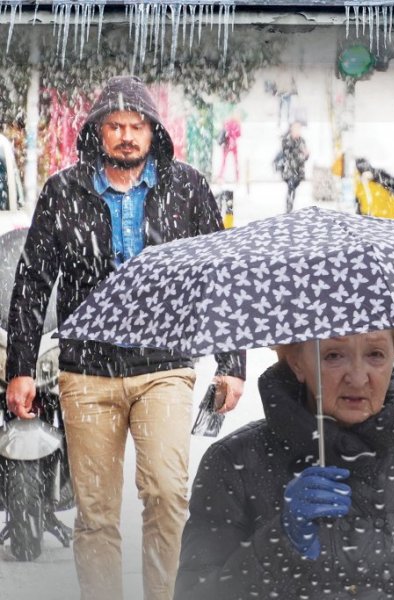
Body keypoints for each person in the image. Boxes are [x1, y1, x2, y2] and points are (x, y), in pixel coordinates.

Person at [4, 75, 246, 600]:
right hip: (86, 373)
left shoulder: (186, 188)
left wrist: (232, 363)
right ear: (98, 131)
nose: (127, 136)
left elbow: (220, 273)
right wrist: (20, 367)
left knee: (167, 495)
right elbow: (33, 282)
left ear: (153, 131)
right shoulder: (63, 192)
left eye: (137, 125)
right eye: (115, 126)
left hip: (165, 367)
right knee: (96, 514)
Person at [174, 329, 394, 599]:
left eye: (376, 354)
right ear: (297, 362)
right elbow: (196, 592)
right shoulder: (234, 462)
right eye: (334, 355)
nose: (358, 377)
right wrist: (281, 541)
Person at [275, 119, 310, 213]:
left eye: (299, 128)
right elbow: (288, 154)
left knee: (294, 188)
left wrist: (306, 154)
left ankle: (290, 207)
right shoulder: (287, 140)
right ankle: (289, 208)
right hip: (289, 170)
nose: (298, 131)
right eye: (296, 128)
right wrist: (301, 154)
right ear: (291, 129)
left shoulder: (302, 141)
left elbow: (304, 158)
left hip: (299, 171)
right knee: (291, 188)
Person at [216, 112, 242, 182]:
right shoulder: (237, 124)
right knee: (236, 161)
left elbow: (223, 132)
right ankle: (237, 177)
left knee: (224, 161)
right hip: (233, 145)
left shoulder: (226, 122)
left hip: (226, 145)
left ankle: (220, 175)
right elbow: (239, 134)